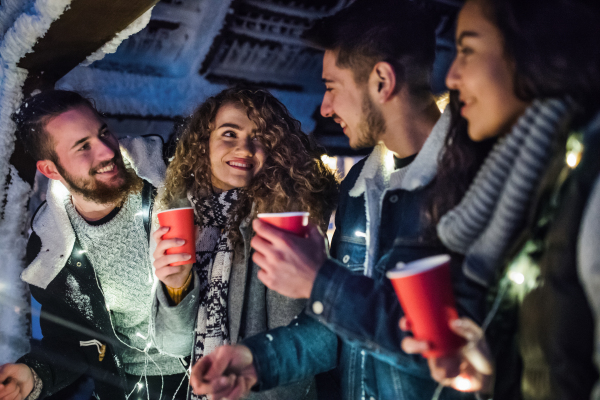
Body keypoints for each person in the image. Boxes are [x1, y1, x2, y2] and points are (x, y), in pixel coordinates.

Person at [190, 1, 484, 399]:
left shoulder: (474, 181)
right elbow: (339, 327)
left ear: (382, 81)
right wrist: (257, 360)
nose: (325, 107)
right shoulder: (361, 187)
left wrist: (320, 282)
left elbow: (459, 351)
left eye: (331, 87)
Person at [400, 0, 600, 398]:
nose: (451, 78)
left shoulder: (588, 173)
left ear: (533, 51)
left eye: (468, 50)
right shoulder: (553, 175)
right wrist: (491, 382)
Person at [0, 90, 194, 400]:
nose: (106, 151)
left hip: (214, 374)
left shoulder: (173, 186)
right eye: (83, 147)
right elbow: (72, 340)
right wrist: (35, 373)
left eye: (104, 133)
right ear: (50, 170)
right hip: (127, 390)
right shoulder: (51, 248)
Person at [149, 86, 339, 400]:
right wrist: (176, 286)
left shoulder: (288, 219)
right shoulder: (180, 214)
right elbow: (173, 345)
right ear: (204, 142)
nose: (245, 149)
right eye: (229, 134)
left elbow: (307, 350)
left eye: (261, 137)